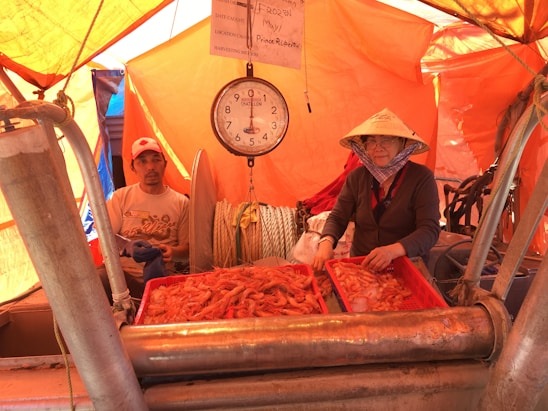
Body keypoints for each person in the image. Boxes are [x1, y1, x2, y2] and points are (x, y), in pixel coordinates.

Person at [312, 108, 441, 273]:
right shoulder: (357, 177)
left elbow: (429, 230)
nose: (377, 147)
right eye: (371, 141)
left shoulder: (421, 178)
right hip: (362, 266)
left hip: (406, 267)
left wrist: (392, 251)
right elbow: (338, 217)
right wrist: (326, 242)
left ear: (402, 143)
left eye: (386, 140)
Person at [99, 137, 190, 301]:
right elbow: (104, 242)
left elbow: (188, 251)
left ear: (165, 164)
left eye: (156, 160)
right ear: (133, 167)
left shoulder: (181, 203)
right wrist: (127, 246)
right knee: (97, 278)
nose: (150, 167)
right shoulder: (121, 197)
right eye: (142, 161)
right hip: (123, 281)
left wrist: (173, 252)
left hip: (163, 282)